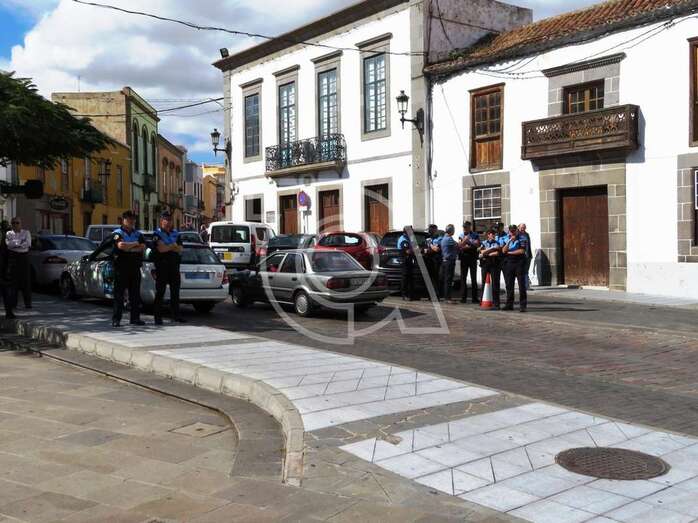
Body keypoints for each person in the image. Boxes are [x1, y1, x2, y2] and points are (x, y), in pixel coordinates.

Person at [111, 210, 146, 328]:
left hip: (135, 267)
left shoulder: (138, 234)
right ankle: (116, 319)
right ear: (123, 220)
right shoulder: (117, 233)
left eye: (133, 219)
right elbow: (121, 246)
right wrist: (135, 244)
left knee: (135, 294)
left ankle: (135, 318)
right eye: (129, 219)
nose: (131, 221)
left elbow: (142, 247)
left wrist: (129, 247)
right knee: (119, 294)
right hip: (121, 267)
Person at [153, 211, 185, 325]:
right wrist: (172, 246)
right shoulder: (157, 234)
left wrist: (168, 246)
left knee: (175, 293)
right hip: (162, 267)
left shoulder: (176, 234)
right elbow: (161, 249)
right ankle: (158, 317)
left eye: (170, 220)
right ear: (161, 221)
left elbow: (181, 249)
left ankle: (176, 316)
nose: (168, 222)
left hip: (174, 267)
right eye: (166, 220)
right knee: (160, 292)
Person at [6, 217, 32, 309]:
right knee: (14, 281)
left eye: (17, 223)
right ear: (11, 224)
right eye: (13, 223)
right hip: (14, 257)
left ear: (21, 224)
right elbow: (9, 245)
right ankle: (14, 304)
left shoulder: (26, 232)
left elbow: (28, 244)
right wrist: (20, 242)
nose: (15, 225)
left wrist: (15, 244)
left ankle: (28, 303)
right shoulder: (9, 233)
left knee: (26, 281)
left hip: (24, 257)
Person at [502, 224, 528, 312]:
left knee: (521, 285)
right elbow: (503, 250)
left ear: (517, 231)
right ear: (509, 231)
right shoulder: (506, 238)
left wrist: (509, 252)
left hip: (519, 262)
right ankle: (509, 304)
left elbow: (521, 251)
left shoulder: (522, 238)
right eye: (511, 231)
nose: (512, 232)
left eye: (514, 231)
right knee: (509, 284)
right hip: (509, 263)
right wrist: (509, 241)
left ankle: (523, 305)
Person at [458, 221, 480, 304]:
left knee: (473, 278)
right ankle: (463, 298)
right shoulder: (461, 235)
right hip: (464, 258)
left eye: (466, 227)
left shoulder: (475, 235)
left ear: (470, 227)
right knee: (463, 278)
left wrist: (468, 243)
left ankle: (474, 298)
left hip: (472, 258)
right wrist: (468, 243)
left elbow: (477, 244)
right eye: (463, 227)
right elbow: (460, 246)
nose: (464, 228)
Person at [479, 229, 502, 309]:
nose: (493, 235)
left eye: (494, 234)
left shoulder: (497, 243)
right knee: (483, 282)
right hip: (485, 264)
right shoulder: (483, 243)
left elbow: (497, 253)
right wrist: (491, 250)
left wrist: (487, 253)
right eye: (491, 234)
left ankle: (496, 303)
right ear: (488, 235)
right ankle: (482, 300)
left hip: (494, 264)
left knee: (495, 283)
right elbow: (482, 252)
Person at [439, 224, 458, 303]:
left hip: (445, 261)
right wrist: (465, 240)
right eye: (453, 229)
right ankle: (447, 298)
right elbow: (458, 245)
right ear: (451, 230)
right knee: (448, 280)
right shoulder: (449, 239)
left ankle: (445, 297)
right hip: (449, 261)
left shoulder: (444, 238)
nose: (454, 231)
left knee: (446, 279)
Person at [0, 221, 15, 319]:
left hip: (4, 268)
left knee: (6, 291)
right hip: (4, 268)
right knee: (6, 291)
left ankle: (9, 312)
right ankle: (9, 312)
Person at [397, 226, 416, 301]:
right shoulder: (403, 240)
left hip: (408, 261)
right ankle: (405, 295)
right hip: (405, 261)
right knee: (405, 278)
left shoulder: (408, 238)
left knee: (410, 277)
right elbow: (408, 251)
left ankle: (410, 294)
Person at [424, 224, 442, 298]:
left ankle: (437, 294)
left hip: (436, 260)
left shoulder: (439, 238)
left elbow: (437, 249)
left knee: (436, 277)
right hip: (428, 260)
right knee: (429, 277)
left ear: (435, 230)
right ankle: (430, 294)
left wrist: (430, 248)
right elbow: (425, 249)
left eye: (431, 230)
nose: (430, 231)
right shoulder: (427, 238)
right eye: (429, 230)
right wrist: (428, 249)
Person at [519, 223, 533, 291]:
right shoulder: (517, 235)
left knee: (526, 271)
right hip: (521, 256)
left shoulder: (527, 234)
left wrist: (530, 255)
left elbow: (528, 246)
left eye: (524, 227)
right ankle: (525, 286)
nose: (523, 229)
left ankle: (526, 286)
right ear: (519, 228)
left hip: (528, 255)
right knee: (522, 271)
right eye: (522, 227)